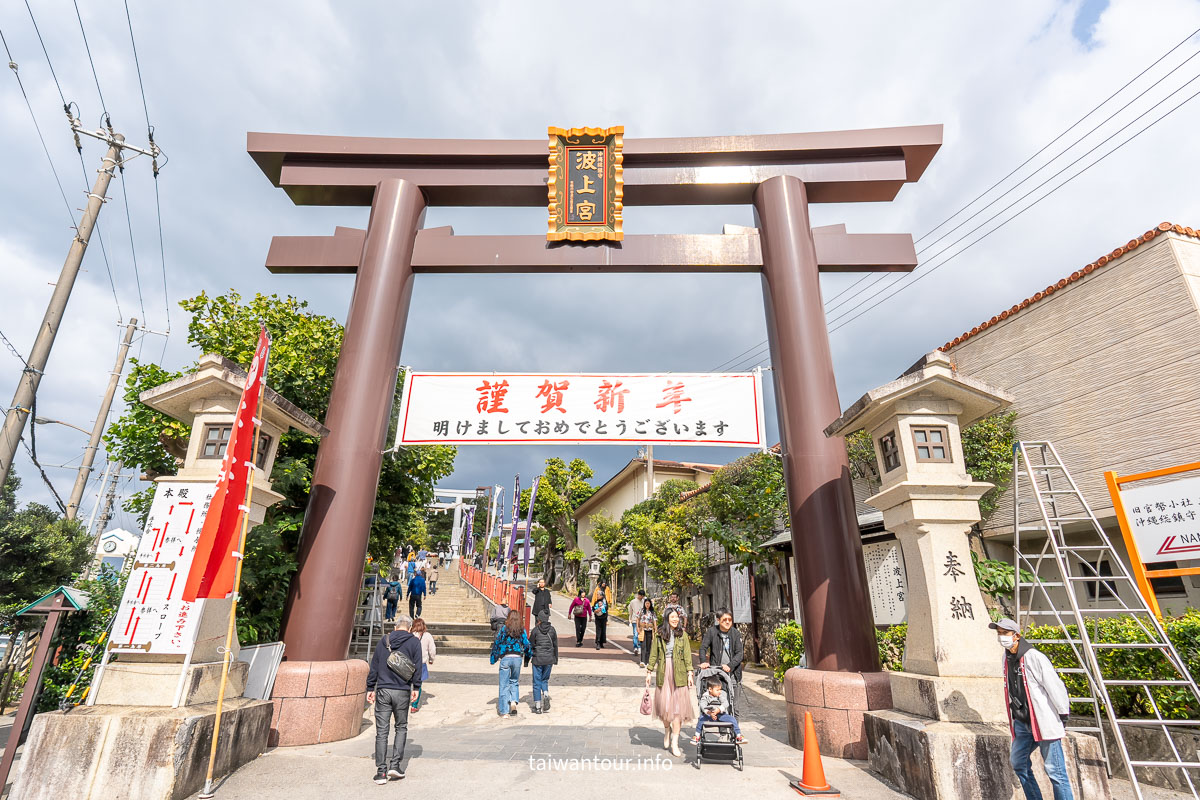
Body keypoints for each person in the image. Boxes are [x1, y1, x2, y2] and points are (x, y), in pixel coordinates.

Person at [991, 618, 1074, 800]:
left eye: (1005, 633)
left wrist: (1063, 713)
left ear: (1017, 635)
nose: (1001, 638)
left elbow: (1055, 686)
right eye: (999, 633)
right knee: (1018, 763)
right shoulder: (1006, 657)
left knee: (1055, 772)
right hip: (1021, 722)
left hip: (1043, 721)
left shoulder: (1034, 657)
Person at [366, 615, 422, 784]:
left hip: (383, 690)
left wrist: (370, 687)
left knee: (382, 731)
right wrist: (416, 688)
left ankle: (381, 772)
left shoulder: (384, 641)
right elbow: (417, 667)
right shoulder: (414, 642)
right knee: (401, 727)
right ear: (410, 627)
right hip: (402, 690)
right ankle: (395, 766)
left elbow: (374, 665)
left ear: (396, 626)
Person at [645, 608, 694, 757]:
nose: (675, 619)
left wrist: (690, 673)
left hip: (679, 674)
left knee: (678, 710)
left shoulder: (683, 635)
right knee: (665, 708)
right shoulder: (660, 635)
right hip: (664, 673)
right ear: (666, 618)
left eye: (677, 617)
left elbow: (687, 655)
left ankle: (675, 742)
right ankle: (667, 730)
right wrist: (649, 672)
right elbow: (653, 654)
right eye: (672, 617)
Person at [699, 608, 745, 716]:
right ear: (718, 620)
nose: (728, 622)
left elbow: (740, 654)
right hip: (718, 674)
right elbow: (703, 648)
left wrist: (730, 665)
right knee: (720, 704)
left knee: (735, 707)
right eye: (724, 620)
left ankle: (735, 731)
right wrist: (703, 662)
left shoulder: (735, 633)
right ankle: (723, 732)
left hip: (733, 674)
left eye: (730, 619)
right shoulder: (712, 632)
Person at [489, 610, 531, 716]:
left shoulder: (504, 629)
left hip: (506, 657)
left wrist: (493, 658)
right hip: (517, 657)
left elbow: (497, 643)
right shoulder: (521, 630)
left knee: (504, 684)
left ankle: (504, 711)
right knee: (514, 681)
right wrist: (528, 656)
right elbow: (526, 644)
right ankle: (513, 702)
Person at [691, 675, 745, 745]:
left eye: (720, 689)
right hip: (709, 715)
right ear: (710, 689)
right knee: (700, 719)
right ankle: (697, 736)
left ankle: (738, 735)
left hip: (721, 715)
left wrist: (719, 709)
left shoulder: (721, 695)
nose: (719, 691)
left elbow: (726, 703)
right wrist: (709, 712)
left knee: (733, 719)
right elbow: (703, 705)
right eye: (717, 690)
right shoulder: (706, 696)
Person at [528, 609, 558, 713]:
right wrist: (555, 659)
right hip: (549, 659)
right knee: (544, 680)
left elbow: (530, 645)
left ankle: (537, 707)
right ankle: (545, 693)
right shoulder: (552, 630)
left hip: (538, 659)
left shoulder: (535, 630)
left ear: (539, 619)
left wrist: (527, 660)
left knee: (537, 682)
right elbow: (555, 646)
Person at [410, 617, 436, 712]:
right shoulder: (427, 635)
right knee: (418, 685)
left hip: (408, 663)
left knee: (406, 683)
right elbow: (432, 649)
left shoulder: (410, 635)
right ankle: (414, 705)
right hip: (421, 663)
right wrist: (431, 659)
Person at [637, 598, 656, 666]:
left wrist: (655, 630)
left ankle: (647, 661)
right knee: (643, 645)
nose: (647, 605)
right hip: (643, 629)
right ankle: (642, 661)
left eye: (648, 603)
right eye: (646, 603)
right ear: (644, 604)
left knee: (649, 646)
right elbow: (638, 619)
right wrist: (637, 627)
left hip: (650, 630)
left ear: (650, 604)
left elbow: (654, 621)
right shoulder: (641, 611)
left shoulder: (652, 612)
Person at [591, 581, 611, 649]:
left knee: (603, 630)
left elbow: (606, 608)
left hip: (604, 617)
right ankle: (598, 642)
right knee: (598, 630)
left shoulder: (604, 602)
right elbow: (593, 608)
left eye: (598, 595)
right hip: (597, 617)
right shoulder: (596, 601)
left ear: (602, 595)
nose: (597, 596)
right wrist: (595, 611)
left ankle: (602, 642)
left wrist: (602, 610)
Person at [629, 590, 646, 659]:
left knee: (641, 634)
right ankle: (635, 647)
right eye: (640, 595)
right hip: (634, 620)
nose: (641, 597)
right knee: (635, 633)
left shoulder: (644, 601)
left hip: (642, 620)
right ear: (638, 595)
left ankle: (639, 646)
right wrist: (630, 618)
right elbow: (630, 610)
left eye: (642, 596)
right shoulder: (633, 602)